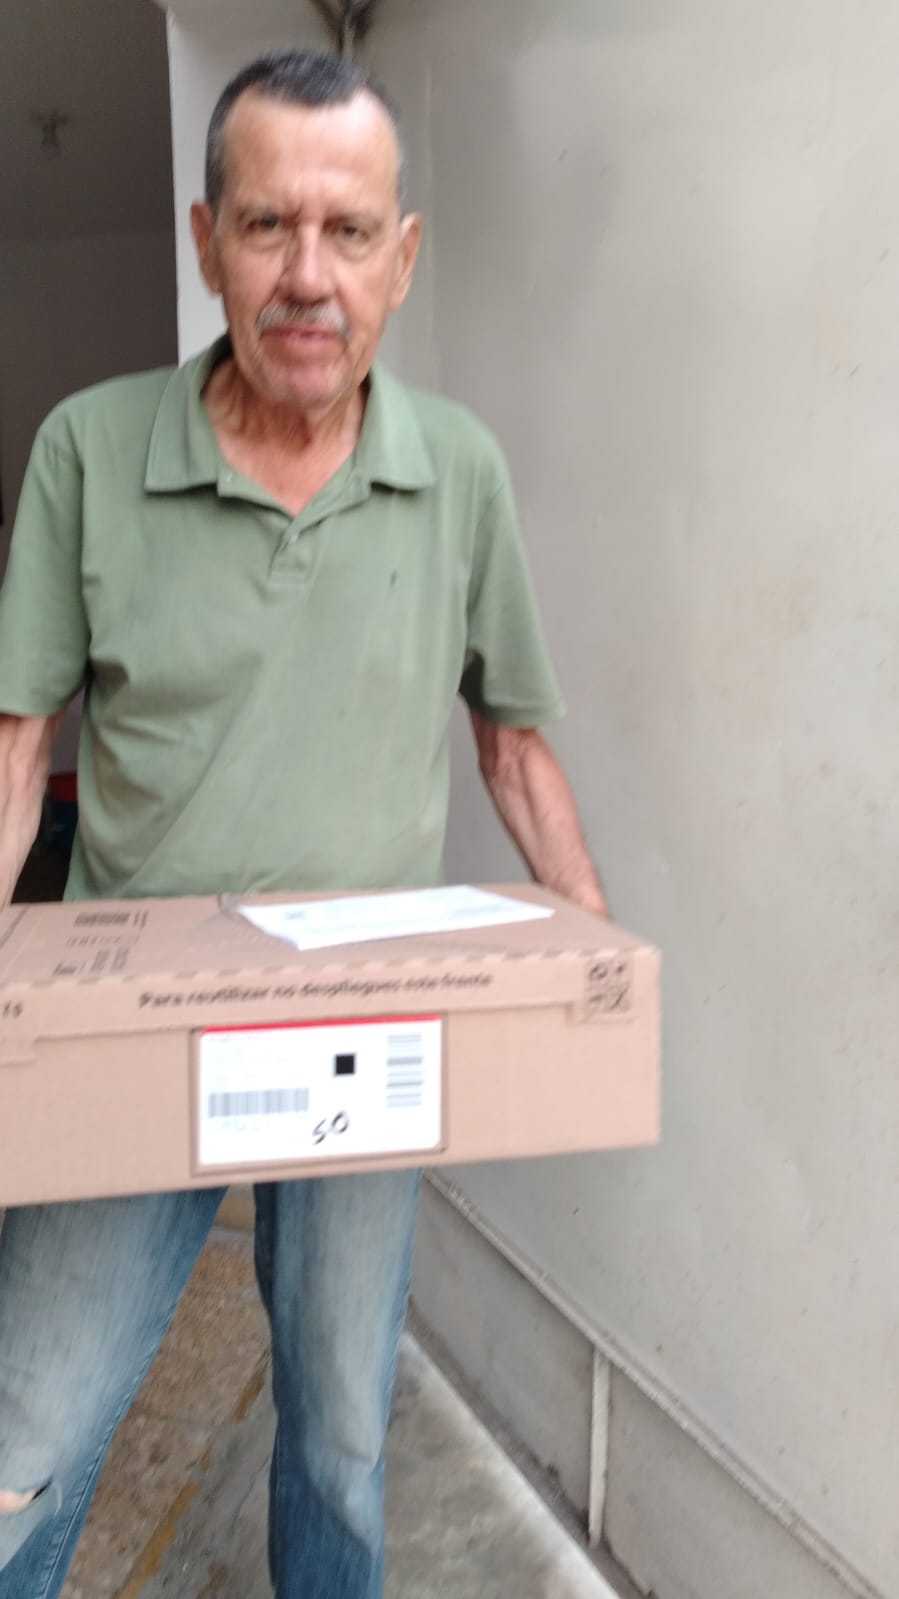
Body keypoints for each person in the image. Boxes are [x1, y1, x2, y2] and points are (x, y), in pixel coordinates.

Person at [0, 48, 605, 1599]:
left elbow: (514, 745)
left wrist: (594, 978)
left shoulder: (458, 472)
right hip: (137, 1033)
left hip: (362, 1035)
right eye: (268, 226)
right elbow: (18, 748)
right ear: (207, 242)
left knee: (340, 1430)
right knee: (21, 1433)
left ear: (404, 257)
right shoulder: (87, 450)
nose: (308, 277)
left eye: (349, 232)